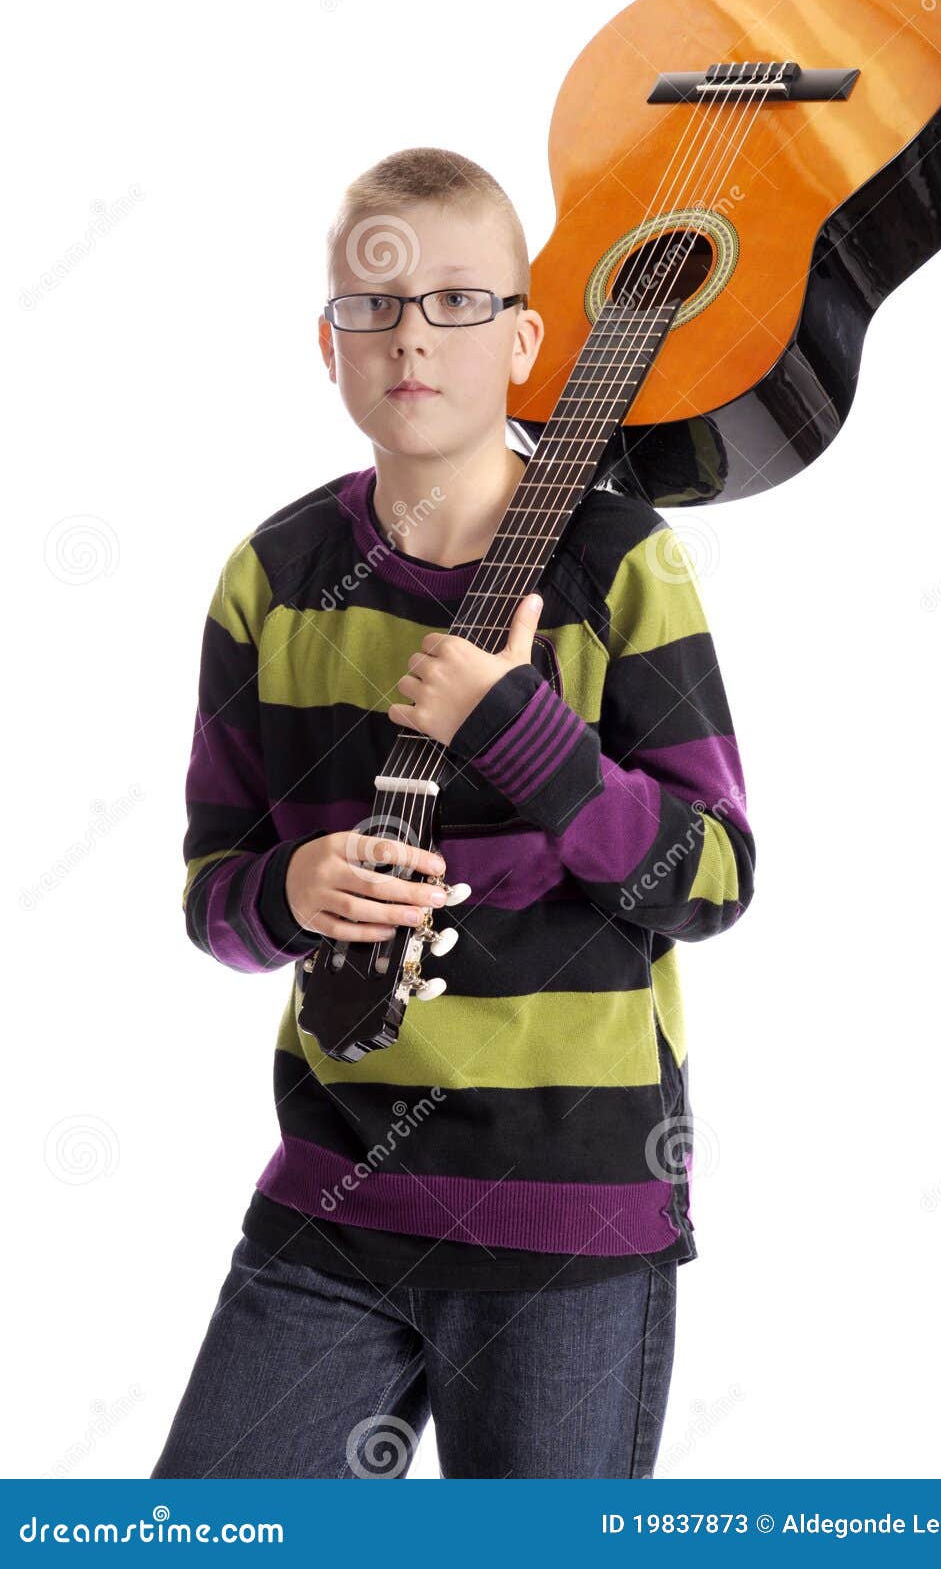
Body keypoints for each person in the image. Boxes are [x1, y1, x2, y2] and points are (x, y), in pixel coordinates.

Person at [151, 147, 755, 1479]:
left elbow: (708, 875)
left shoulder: (618, 566)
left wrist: (523, 732)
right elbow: (213, 892)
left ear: (528, 338)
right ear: (329, 343)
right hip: (332, 1207)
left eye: (456, 301)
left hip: (567, 1220)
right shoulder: (274, 577)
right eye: (373, 305)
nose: (411, 333)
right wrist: (286, 888)